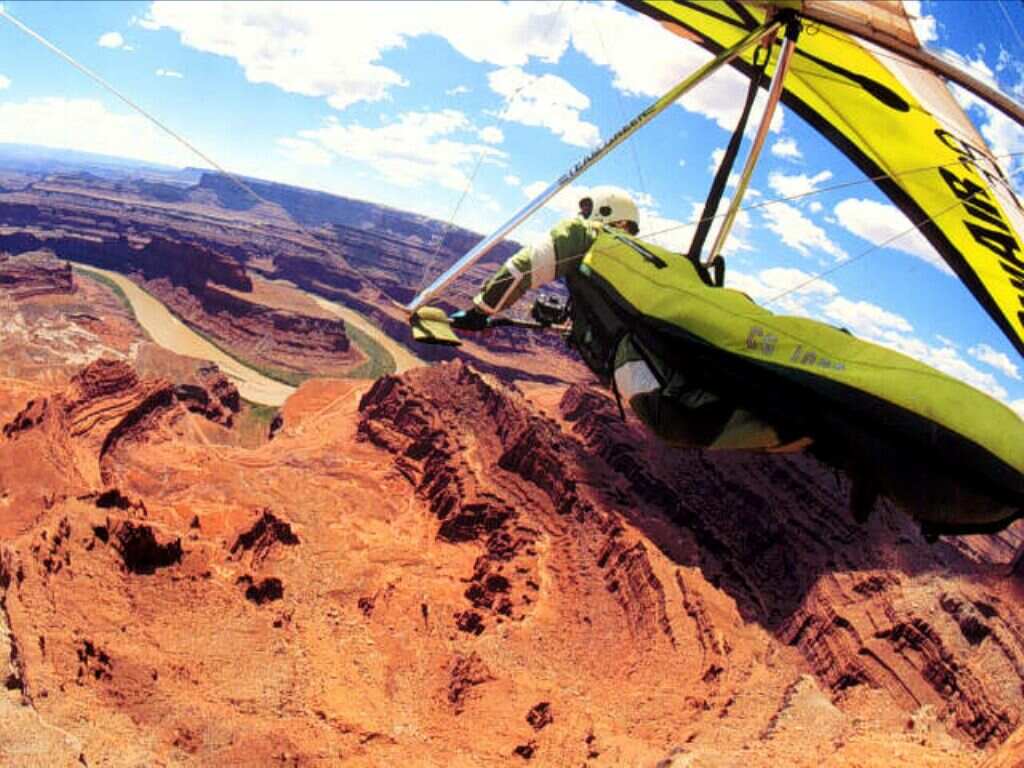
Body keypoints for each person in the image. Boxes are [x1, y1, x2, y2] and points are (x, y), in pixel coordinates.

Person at [450, 187, 807, 453]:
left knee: (674, 422)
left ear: (607, 214)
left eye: (588, 211)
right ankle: (809, 416)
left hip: (651, 363)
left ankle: (803, 430)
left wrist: (482, 310)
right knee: (739, 393)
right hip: (702, 347)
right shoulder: (658, 261)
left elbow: (523, 267)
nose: (584, 216)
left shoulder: (588, 235)